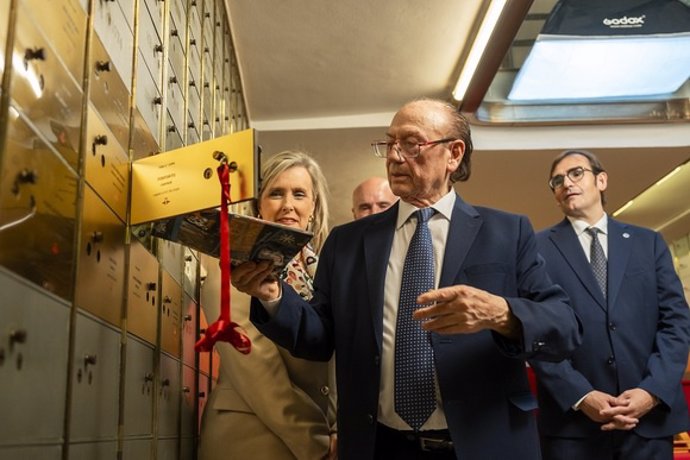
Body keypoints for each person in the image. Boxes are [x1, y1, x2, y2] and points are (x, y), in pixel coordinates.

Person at [232, 98, 582, 460]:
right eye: (390, 143)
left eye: (412, 144)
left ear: (454, 154)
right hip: (379, 446)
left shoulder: (508, 233)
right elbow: (318, 337)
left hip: (481, 443)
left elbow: (564, 327)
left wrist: (503, 314)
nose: (395, 156)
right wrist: (273, 296)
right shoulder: (349, 242)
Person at [529, 149, 690, 460]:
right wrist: (581, 395)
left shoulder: (649, 242)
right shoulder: (536, 249)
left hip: (649, 423)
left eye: (576, 173)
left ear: (601, 180)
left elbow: (676, 323)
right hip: (572, 427)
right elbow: (535, 335)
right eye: (557, 180)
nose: (566, 183)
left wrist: (651, 392)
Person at [198, 150, 337, 460]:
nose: (288, 204)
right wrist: (317, 441)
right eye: (276, 193)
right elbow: (256, 366)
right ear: (259, 205)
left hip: (317, 439)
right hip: (252, 436)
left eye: (299, 194)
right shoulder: (234, 262)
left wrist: (338, 426)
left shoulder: (322, 269)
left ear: (312, 206)